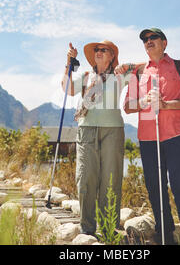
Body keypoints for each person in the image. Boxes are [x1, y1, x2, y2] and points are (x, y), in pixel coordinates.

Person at [123, 28, 180, 245]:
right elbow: (127, 106)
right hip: (148, 137)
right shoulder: (137, 73)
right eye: (145, 40)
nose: (148, 42)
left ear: (164, 43)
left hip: (175, 134)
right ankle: (165, 232)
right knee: (155, 186)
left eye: (153, 38)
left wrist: (165, 104)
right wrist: (143, 102)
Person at [62, 40, 131, 237]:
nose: (98, 52)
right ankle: (87, 229)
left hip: (113, 131)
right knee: (85, 179)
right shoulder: (85, 77)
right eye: (96, 50)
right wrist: (69, 62)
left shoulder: (121, 76)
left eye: (103, 50)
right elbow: (67, 89)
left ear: (112, 56)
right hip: (87, 130)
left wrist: (131, 65)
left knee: (111, 180)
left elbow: (146, 68)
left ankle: (109, 229)